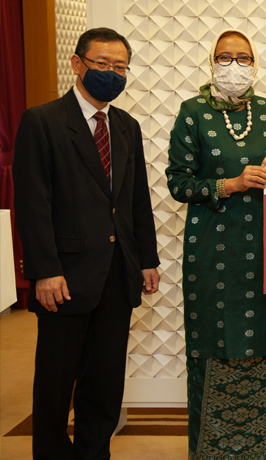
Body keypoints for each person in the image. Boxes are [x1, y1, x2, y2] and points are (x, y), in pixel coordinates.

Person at [12, 28, 160, 459]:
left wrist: (146, 259)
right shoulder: (41, 121)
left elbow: (136, 199)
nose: (111, 74)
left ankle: (96, 453)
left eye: (120, 67)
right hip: (64, 275)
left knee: (105, 380)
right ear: (77, 64)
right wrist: (44, 269)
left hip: (117, 272)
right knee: (57, 383)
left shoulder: (127, 126)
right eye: (102, 64)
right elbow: (32, 203)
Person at [166, 29, 266, 460]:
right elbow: (178, 183)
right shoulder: (192, 112)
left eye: (243, 57)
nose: (234, 66)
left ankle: (254, 450)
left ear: (255, 64)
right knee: (212, 343)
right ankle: (210, 451)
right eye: (224, 57)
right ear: (212, 62)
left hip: (260, 249)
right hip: (210, 248)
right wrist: (230, 184)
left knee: (256, 343)